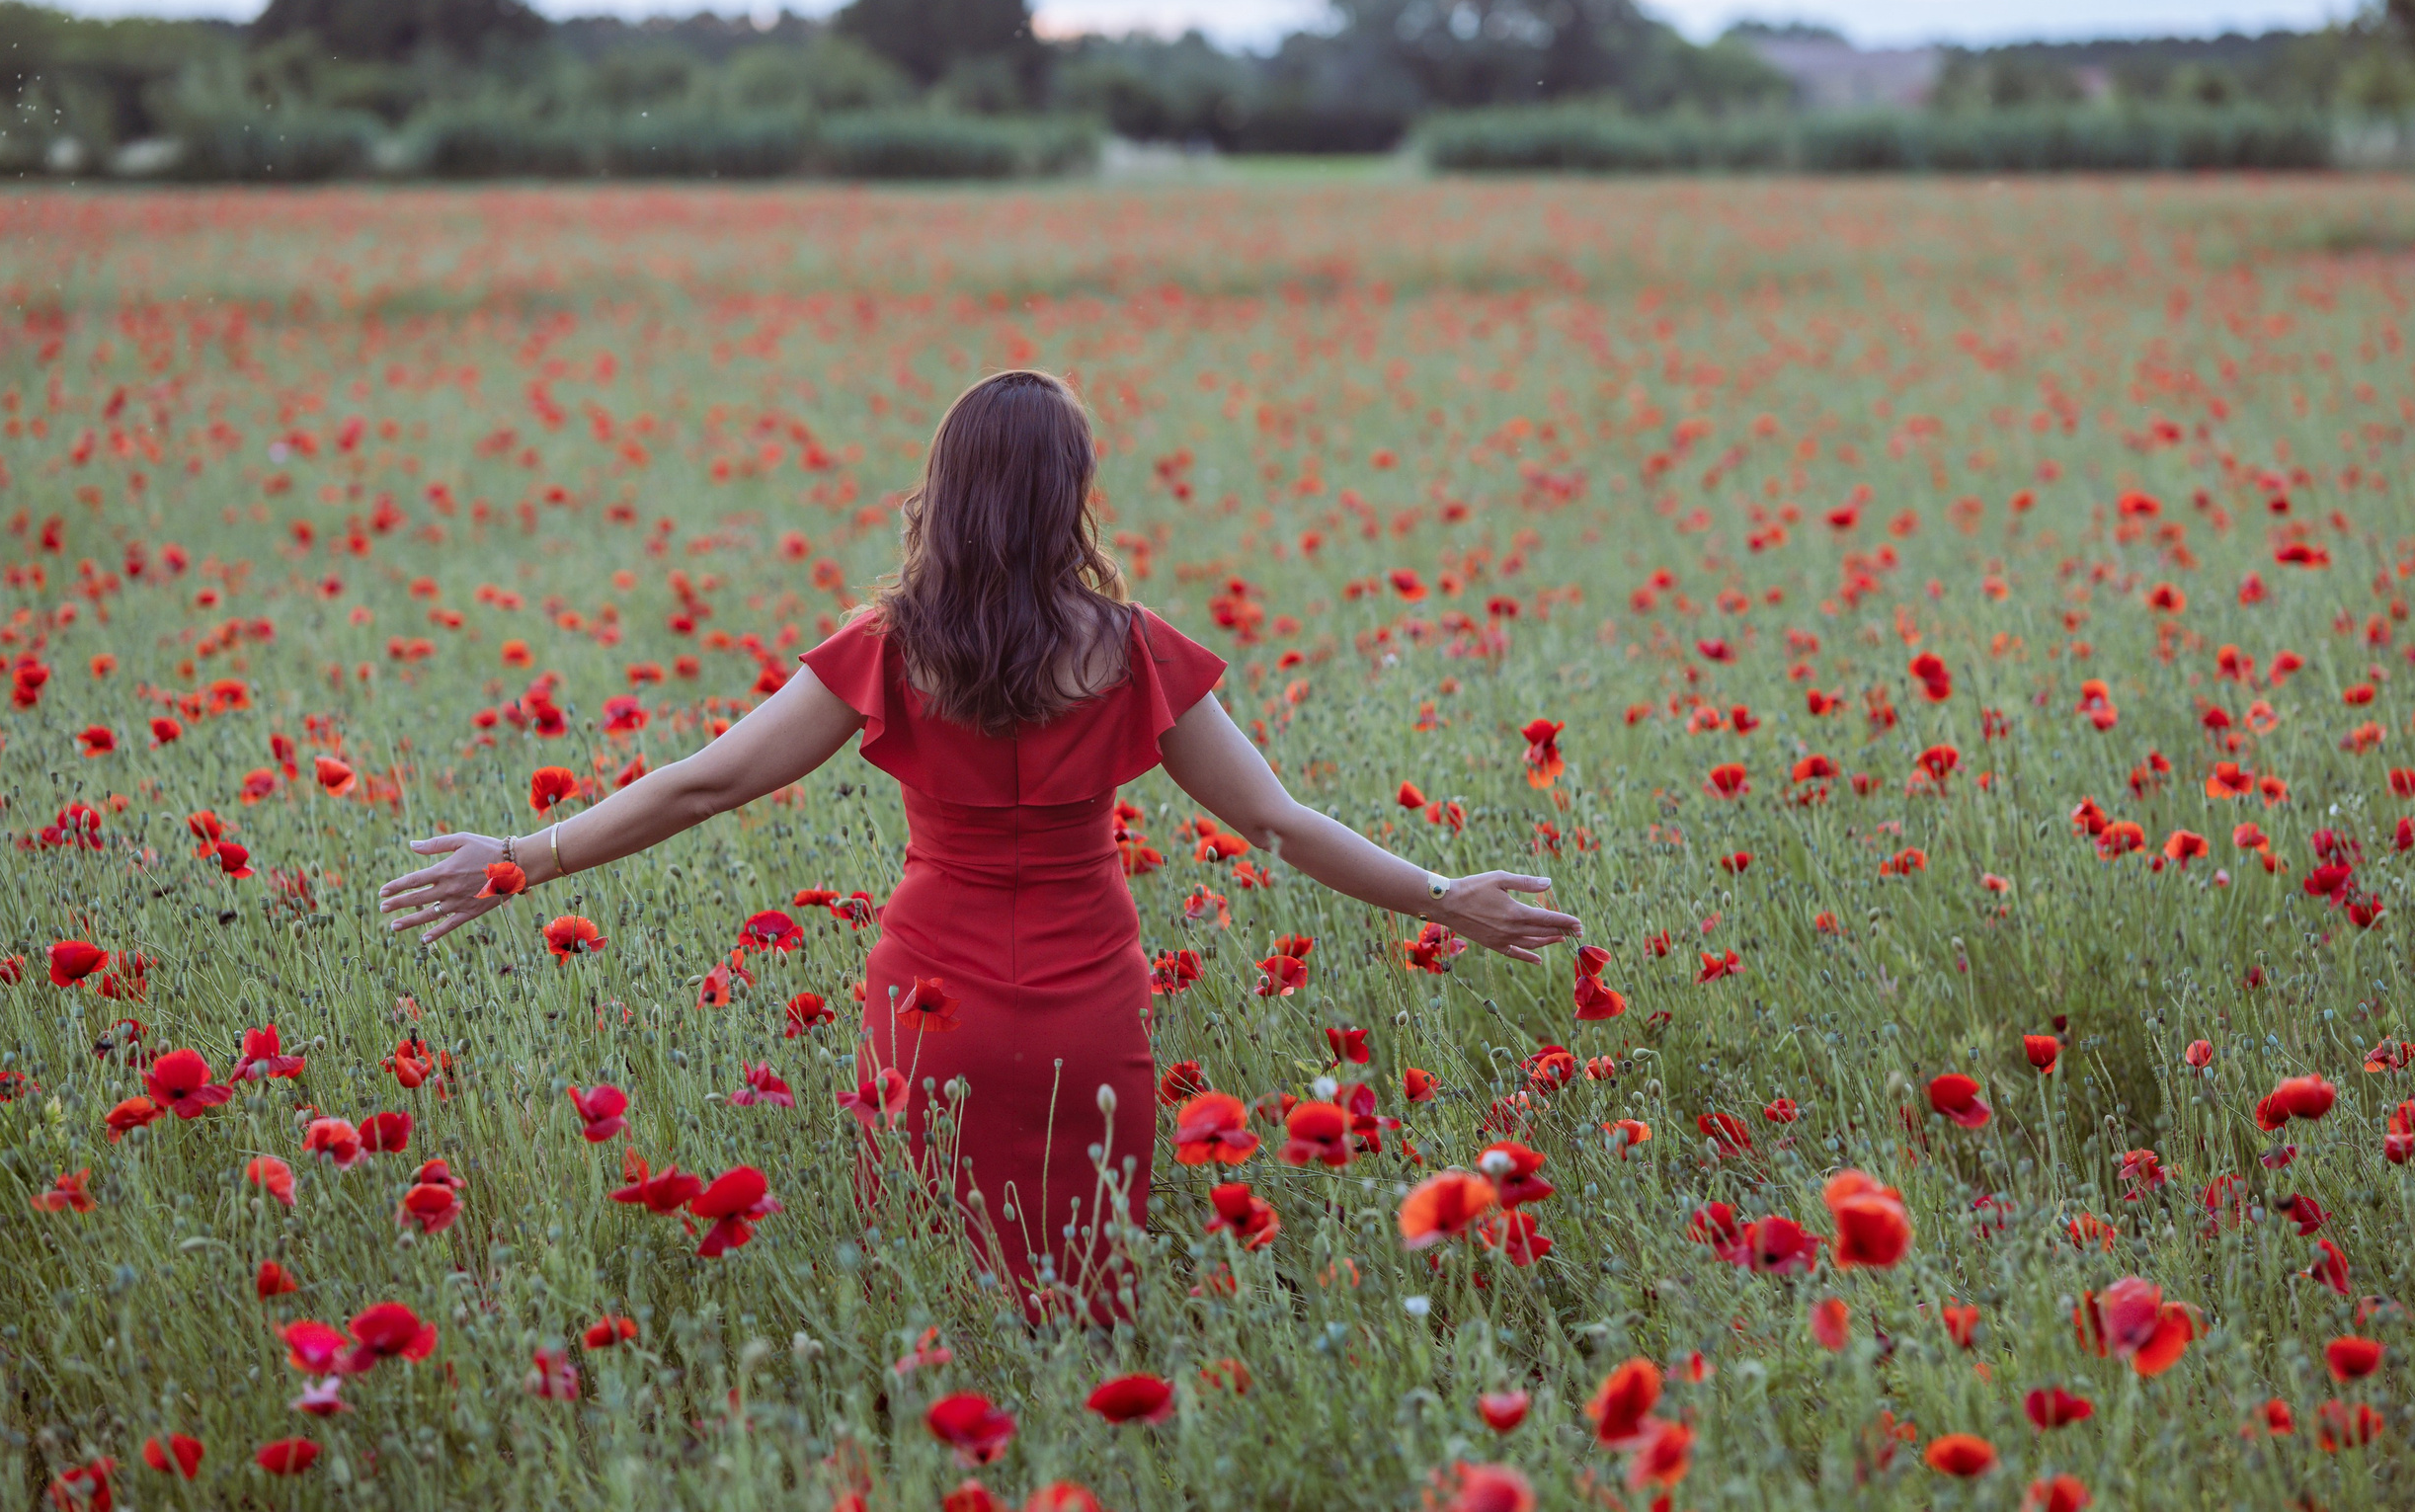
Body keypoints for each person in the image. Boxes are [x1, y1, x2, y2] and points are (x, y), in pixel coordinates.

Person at [377, 368, 1578, 1317]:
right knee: (1085, 1282)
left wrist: (525, 858)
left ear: (948, 490)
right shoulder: (1133, 647)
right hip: (1086, 999)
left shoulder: (892, 645)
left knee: (931, 1281)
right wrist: (1439, 894)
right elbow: (1275, 819)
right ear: (1071, 494)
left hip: (929, 994)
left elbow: (703, 786)